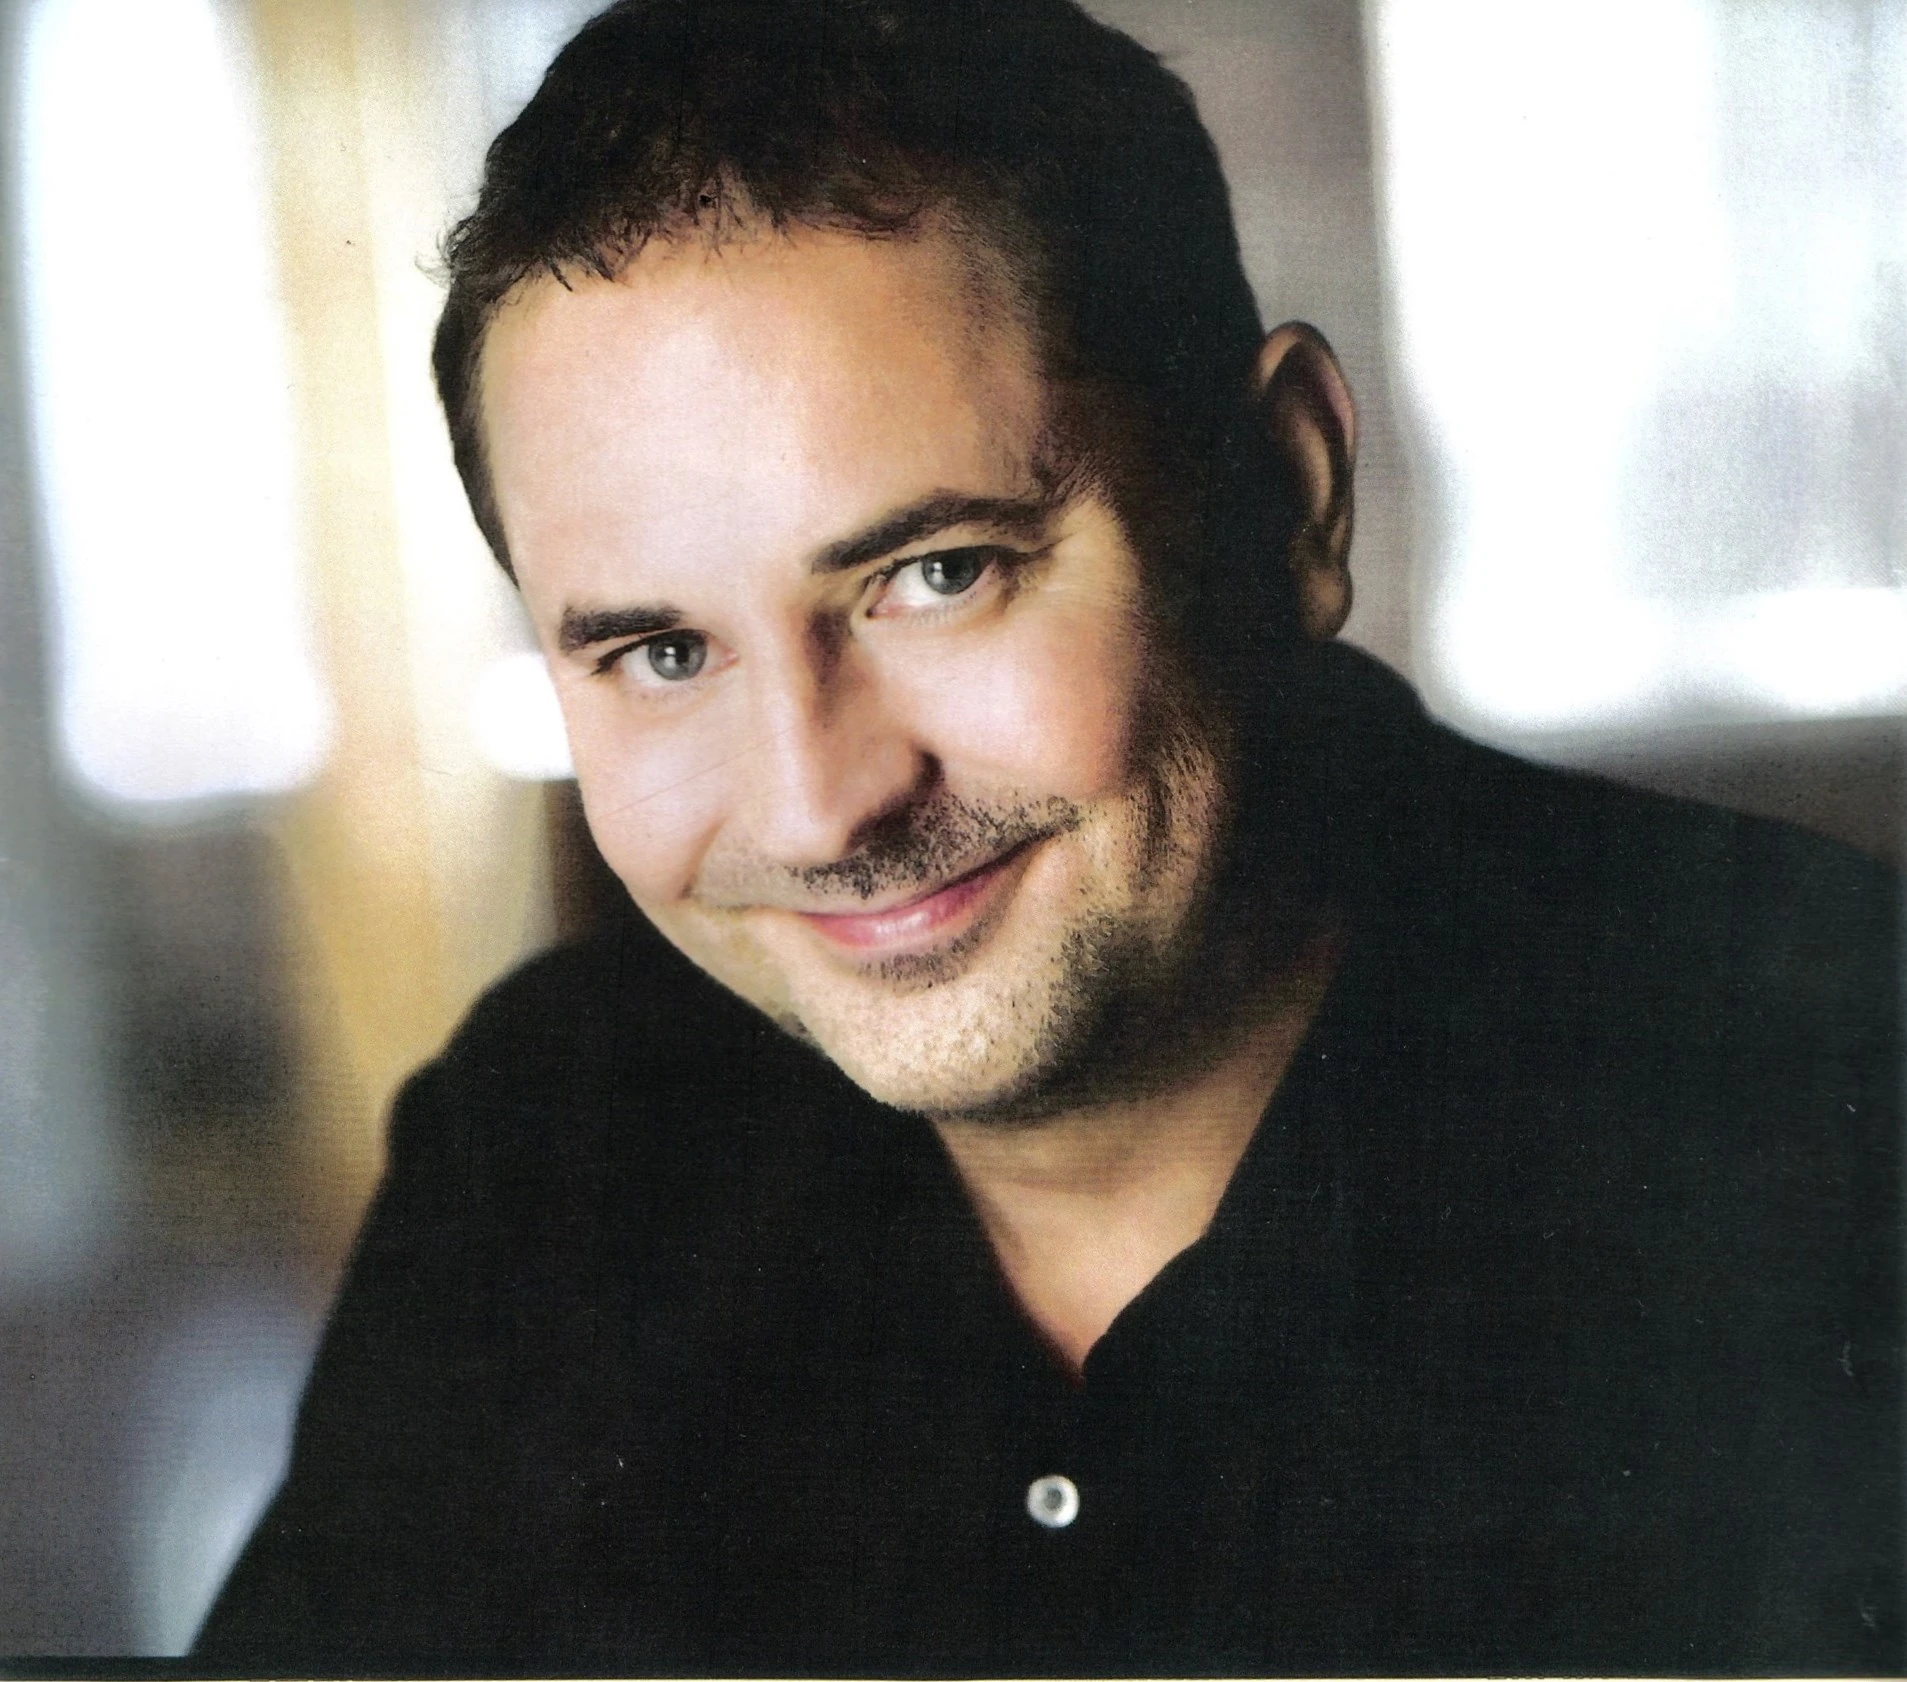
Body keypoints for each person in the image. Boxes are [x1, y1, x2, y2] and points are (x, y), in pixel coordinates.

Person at [195, 0, 1902, 1671]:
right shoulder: (550, 1152)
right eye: (660, 653)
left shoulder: (1840, 1123)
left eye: (938, 574)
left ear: (1286, 492)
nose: (816, 802)